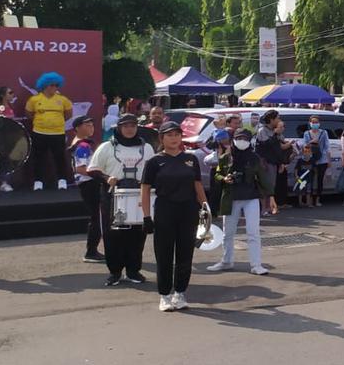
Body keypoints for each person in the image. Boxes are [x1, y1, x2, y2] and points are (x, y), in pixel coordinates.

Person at [141, 122, 209, 312]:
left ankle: (180, 292)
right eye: (169, 135)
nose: (174, 138)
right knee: (164, 255)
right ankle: (164, 295)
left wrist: (206, 211)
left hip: (188, 210)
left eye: (177, 135)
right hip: (165, 210)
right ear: (162, 139)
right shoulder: (154, 161)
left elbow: (197, 186)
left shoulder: (190, 159)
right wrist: (146, 217)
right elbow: (145, 189)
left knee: (185, 254)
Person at [87, 113, 154, 286]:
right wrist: (106, 177)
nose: (129, 129)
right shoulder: (106, 147)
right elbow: (92, 169)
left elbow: (153, 170)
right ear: (119, 128)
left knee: (137, 234)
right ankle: (115, 272)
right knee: (113, 235)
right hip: (113, 195)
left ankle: (133, 270)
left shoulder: (146, 148)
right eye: (125, 126)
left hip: (138, 195)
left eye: (132, 126)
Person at [205, 128, 268, 275]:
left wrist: (270, 197)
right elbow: (218, 175)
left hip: (250, 198)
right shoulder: (225, 158)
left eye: (245, 139)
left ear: (249, 141)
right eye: (239, 138)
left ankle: (256, 264)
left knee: (253, 232)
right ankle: (226, 261)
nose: (242, 142)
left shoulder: (254, 158)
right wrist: (224, 178)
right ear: (233, 139)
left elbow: (263, 179)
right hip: (231, 198)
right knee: (228, 233)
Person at [25, 72, 72, 190]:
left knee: (60, 157)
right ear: (45, 85)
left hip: (58, 133)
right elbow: (29, 114)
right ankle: (38, 182)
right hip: (39, 132)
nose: (54, 88)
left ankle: (62, 181)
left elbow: (68, 114)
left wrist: (56, 122)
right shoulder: (34, 99)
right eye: (52, 85)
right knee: (39, 158)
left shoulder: (63, 99)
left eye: (56, 85)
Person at [70, 116, 105, 263]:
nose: (91, 127)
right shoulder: (82, 145)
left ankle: (93, 250)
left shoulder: (84, 144)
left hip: (89, 183)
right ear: (77, 128)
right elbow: (80, 168)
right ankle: (91, 251)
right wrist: (102, 176)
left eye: (92, 125)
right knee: (97, 217)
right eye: (87, 125)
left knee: (97, 217)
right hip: (89, 184)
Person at [301, 115, 330, 207]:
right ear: (310, 123)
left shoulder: (324, 133)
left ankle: (318, 199)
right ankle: (309, 200)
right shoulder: (306, 133)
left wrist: (327, 158)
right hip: (310, 159)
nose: (315, 124)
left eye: (316, 122)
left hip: (322, 159)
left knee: (320, 180)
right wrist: (311, 142)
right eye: (313, 122)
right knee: (309, 179)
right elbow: (304, 146)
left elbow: (327, 146)